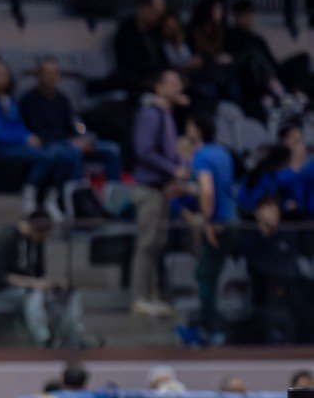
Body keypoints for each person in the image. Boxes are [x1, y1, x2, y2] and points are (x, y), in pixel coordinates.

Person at [0, 58, 77, 217]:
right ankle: (30, 190)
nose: (1, 77)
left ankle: (52, 197)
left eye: (4, 74)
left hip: (18, 143)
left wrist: (28, 136)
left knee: (65, 155)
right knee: (48, 155)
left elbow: (19, 126)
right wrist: (24, 139)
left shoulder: (10, 99)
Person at [129, 69, 188, 319]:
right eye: (172, 82)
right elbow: (145, 150)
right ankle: (139, 297)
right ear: (159, 87)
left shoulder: (167, 115)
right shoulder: (151, 114)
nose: (178, 86)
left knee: (155, 244)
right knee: (146, 244)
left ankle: (151, 294)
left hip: (161, 190)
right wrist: (173, 168)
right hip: (148, 189)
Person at [0, 210, 84, 347]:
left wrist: (52, 284)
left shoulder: (36, 242)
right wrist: (33, 284)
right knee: (34, 294)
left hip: (29, 290)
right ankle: (42, 339)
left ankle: (73, 337)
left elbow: (39, 275)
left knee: (70, 294)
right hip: (2, 293)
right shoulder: (6, 238)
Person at [176, 112, 235, 348]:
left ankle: (209, 330)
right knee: (213, 275)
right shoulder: (223, 153)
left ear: (198, 130)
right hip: (233, 220)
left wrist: (208, 222)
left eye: (190, 125)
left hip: (217, 224)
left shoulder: (201, 156)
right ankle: (212, 327)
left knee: (205, 278)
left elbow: (207, 190)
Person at [18, 58, 121, 182]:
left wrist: (83, 136)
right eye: (47, 73)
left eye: (55, 73)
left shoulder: (62, 99)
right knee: (74, 152)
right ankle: (77, 194)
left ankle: (114, 197)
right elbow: (38, 133)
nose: (51, 77)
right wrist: (71, 142)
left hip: (70, 141)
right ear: (39, 76)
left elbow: (74, 123)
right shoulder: (29, 100)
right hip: (50, 144)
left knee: (112, 149)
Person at [241, 198, 314, 342]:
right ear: (258, 213)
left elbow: (291, 261)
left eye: (275, 211)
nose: (273, 214)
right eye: (268, 210)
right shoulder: (250, 237)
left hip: (290, 285)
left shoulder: (286, 235)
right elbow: (254, 265)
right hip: (262, 288)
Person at [112, 0, 167, 93]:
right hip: (138, 83)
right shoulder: (126, 32)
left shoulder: (155, 32)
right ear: (142, 8)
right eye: (154, 11)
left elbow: (162, 60)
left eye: (160, 13)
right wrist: (150, 84)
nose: (158, 16)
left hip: (158, 78)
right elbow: (126, 68)